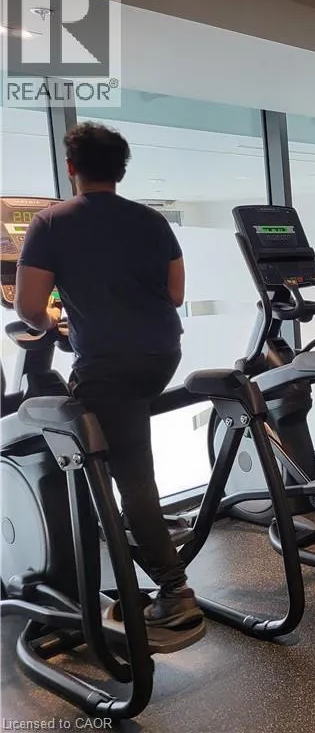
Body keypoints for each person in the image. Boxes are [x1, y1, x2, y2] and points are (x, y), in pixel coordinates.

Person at [15, 122, 201, 629]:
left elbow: (29, 307)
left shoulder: (50, 222)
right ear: (121, 170)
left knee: (131, 475)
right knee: (120, 454)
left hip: (108, 365)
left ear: (71, 167)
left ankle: (174, 590)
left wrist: (52, 321)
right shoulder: (152, 220)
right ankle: (126, 537)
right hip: (162, 355)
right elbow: (175, 294)